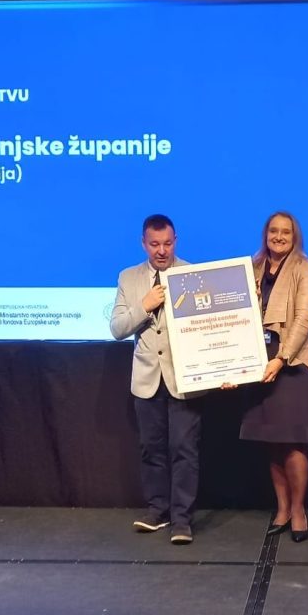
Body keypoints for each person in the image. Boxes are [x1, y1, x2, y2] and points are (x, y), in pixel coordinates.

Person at [110, 214, 201, 543]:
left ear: (175, 241)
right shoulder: (129, 277)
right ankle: (158, 510)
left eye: (167, 243)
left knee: (184, 449)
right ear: (143, 243)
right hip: (147, 379)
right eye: (154, 244)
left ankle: (182, 519)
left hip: (184, 377)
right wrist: (144, 306)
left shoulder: (192, 275)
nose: (161, 250)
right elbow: (117, 329)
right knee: (152, 449)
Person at [239, 211, 308, 542]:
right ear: (265, 234)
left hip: (293, 363)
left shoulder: (304, 268)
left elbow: (303, 319)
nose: (278, 236)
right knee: (271, 441)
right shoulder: (253, 267)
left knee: (292, 441)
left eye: (285, 231)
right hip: (260, 359)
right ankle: (282, 508)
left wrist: (281, 359)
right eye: (273, 230)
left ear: (294, 236)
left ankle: (299, 510)